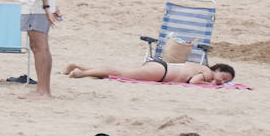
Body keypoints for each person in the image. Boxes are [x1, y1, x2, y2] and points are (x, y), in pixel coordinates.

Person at [63, 60, 235, 84]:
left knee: (121, 71)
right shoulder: (208, 73)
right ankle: (81, 73)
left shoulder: (200, 65)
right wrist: (212, 83)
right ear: (217, 69)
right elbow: (193, 82)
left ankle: (80, 67)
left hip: (162, 67)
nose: (223, 81)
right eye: (224, 76)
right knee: (120, 72)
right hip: (162, 72)